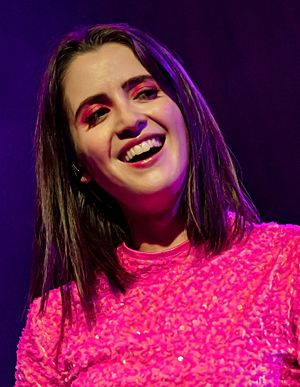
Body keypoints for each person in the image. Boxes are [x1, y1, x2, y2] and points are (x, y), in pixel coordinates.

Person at [15, 23, 299, 385]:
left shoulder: (287, 264)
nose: (130, 120)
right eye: (97, 114)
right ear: (79, 166)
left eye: (146, 93)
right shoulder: (55, 324)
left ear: (183, 111)